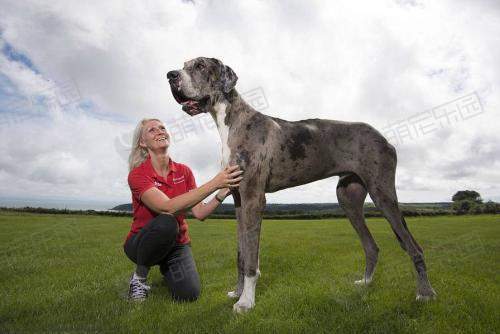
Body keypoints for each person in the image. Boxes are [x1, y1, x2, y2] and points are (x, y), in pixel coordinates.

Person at [123, 118, 243, 302]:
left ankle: (166, 267)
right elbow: (167, 207)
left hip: (176, 245)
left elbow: (200, 213)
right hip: (141, 244)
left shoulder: (184, 172)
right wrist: (216, 182)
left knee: (188, 294)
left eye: (162, 128)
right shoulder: (138, 175)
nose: (160, 131)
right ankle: (139, 278)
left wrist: (221, 192)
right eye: (152, 130)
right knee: (167, 222)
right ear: (142, 142)